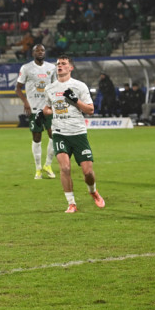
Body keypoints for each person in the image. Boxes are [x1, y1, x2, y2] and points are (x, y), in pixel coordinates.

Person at [41, 55, 105, 213]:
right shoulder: (50, 88)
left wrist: (76, 101)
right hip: (59, 133)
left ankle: (93, 191)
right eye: (58, 64)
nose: (59, 66)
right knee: (65, 168)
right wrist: (46, 111)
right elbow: (47, 108)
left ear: (71, 68)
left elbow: (90, 110)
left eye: (63, 63)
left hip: (78, 133)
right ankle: (71, 203)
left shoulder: (79, 86)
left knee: (88, 172)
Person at [15, 44, 57, 179]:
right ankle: (38, 169)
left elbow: (55, 86)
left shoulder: (51, 68)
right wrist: (26, 102)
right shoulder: (26, 68)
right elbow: (18, 88)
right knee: (37, 138)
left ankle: (48, 165)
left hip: (48, 108)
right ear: (33, 53)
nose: (40, 52)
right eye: (37, 50)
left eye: (42, 50)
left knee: (54, 135)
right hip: (34, 109)